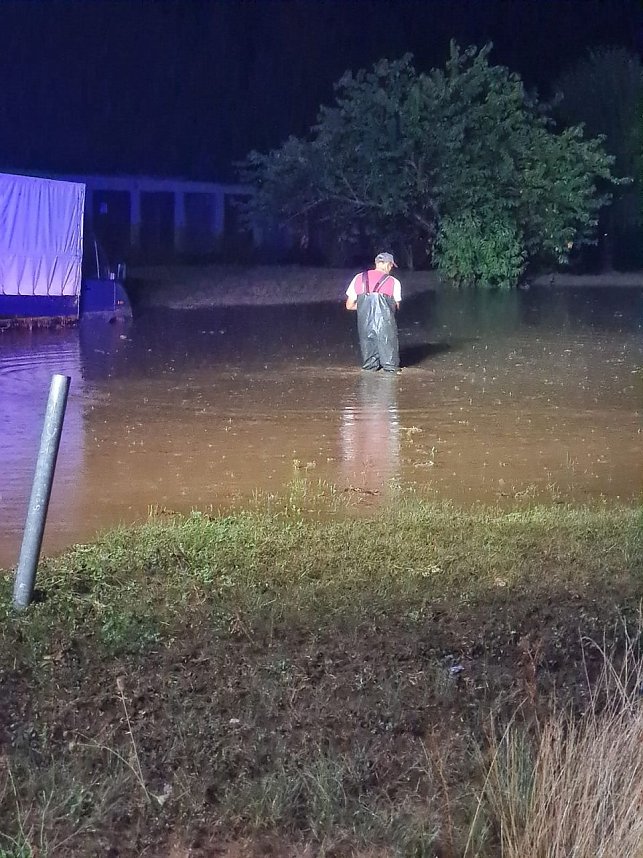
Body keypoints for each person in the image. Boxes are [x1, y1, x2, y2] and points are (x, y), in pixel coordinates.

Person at [345, 251, 401, 373]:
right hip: (385, 326)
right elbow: (396, 306)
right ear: (387, 264)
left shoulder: (358, 278)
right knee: (391, 368)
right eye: (391, 266)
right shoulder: (393, 282)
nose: (391, 269)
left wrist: (366, 306)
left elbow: (349, 306)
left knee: (369, 367)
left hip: (365, 325)